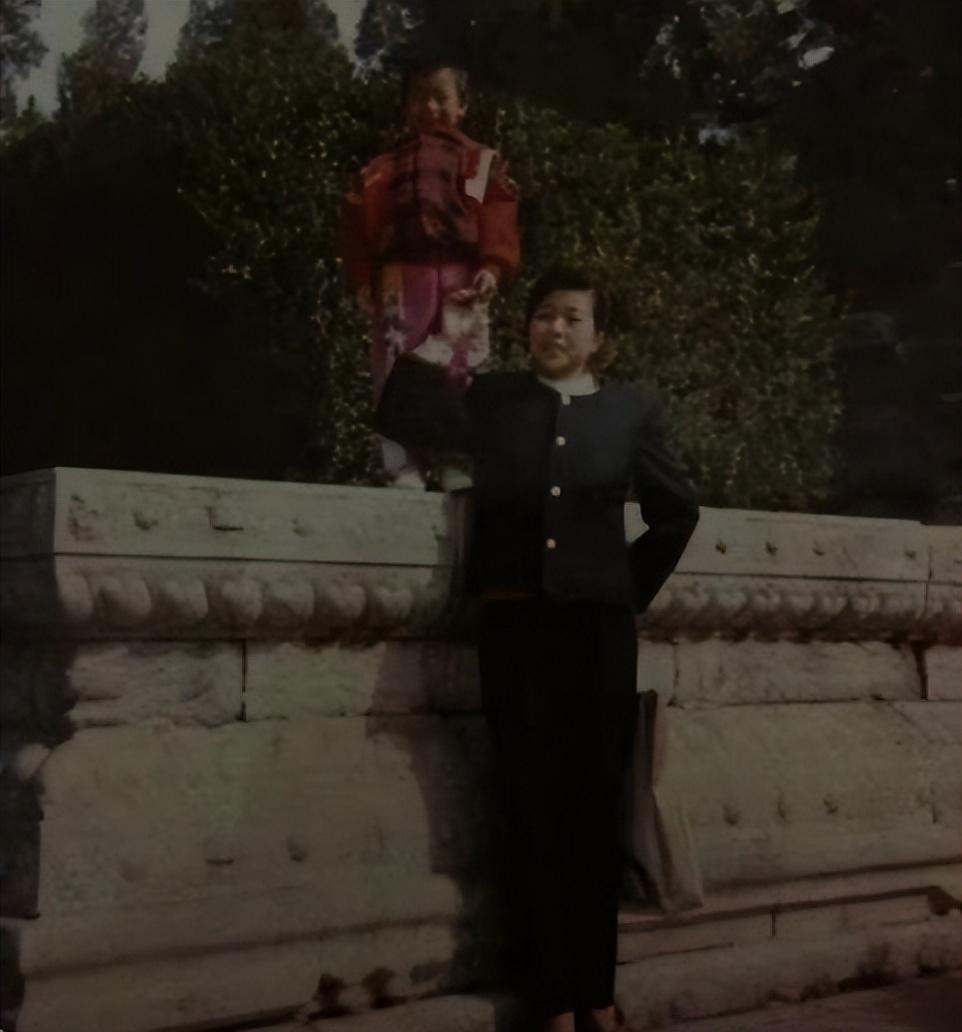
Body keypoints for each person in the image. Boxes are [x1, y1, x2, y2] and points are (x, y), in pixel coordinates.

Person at [375, 267, 700, 1032]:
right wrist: (449, 335)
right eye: (544, 315)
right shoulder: (496, 401)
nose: (555, 328)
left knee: (594, 809)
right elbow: (402, 411)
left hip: (597, 636)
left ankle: (598, 996)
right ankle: (555, 1001)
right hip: (516, 632)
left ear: (599, 338)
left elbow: (677, 513)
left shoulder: (628, 412)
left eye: (572, 318)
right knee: (531, 809)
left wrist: (620, 589)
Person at [340, 60, 520, 489]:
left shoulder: (480, 162)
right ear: (406, 107)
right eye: (419, 97)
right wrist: (363, 279)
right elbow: (355, 228)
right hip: (400, 279)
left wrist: (492, 265)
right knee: (396, 364)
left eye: (441, 97)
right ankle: (401, 463)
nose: (430, 107)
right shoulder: (379, 170)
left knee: (459, 364)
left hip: (461, 276)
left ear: (462, 106)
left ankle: (454, 459)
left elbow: (498, 214)